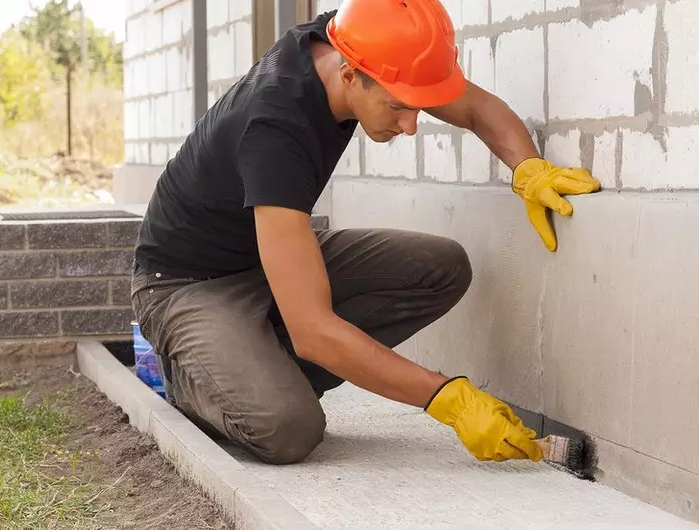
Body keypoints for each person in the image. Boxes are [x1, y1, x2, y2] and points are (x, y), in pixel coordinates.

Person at [130, 0, 600, 466]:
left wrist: (529, 168)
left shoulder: (357, 43)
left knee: (440, 268)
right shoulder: (275, 130)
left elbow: (474, 107)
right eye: (398, 107)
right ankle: (198, 378)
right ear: (350, 74)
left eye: (417, 107)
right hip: (185, 286)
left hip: (263, 258)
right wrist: (448, 399)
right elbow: (313, 332)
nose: (412, 125)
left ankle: (260, 366)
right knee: (287, 429)